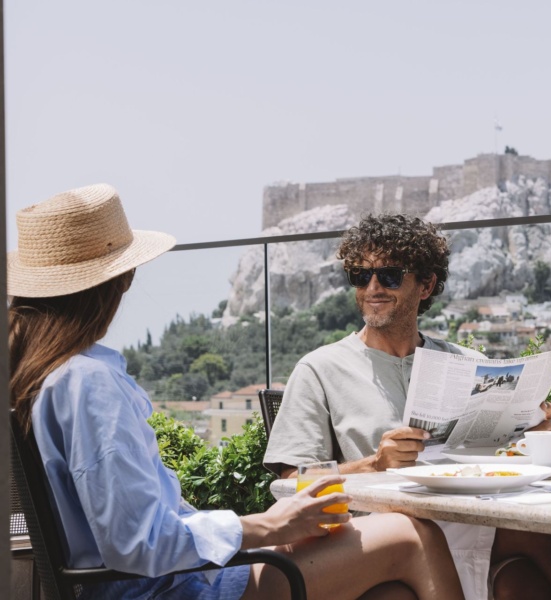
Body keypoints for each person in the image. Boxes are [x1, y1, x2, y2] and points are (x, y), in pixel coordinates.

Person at [8, 184, 465, 600]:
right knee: (412, 536)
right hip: (176, 590)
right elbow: (139, 544)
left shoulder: (40, 378)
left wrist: (268, 528)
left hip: (155, 581)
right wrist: (269, 525)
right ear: (119, 281)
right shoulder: (88, 384)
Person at [263, 213, 551, 600]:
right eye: (360, 276)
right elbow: (289, 481)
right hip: (384, 527)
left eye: (389, 275)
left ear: (426, 284)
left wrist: (533, 433)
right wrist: (373, 464)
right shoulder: (320, 368)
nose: (372, 287)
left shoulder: (466, 362)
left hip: (471, 514)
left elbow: (503, 451)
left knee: (538, 540)